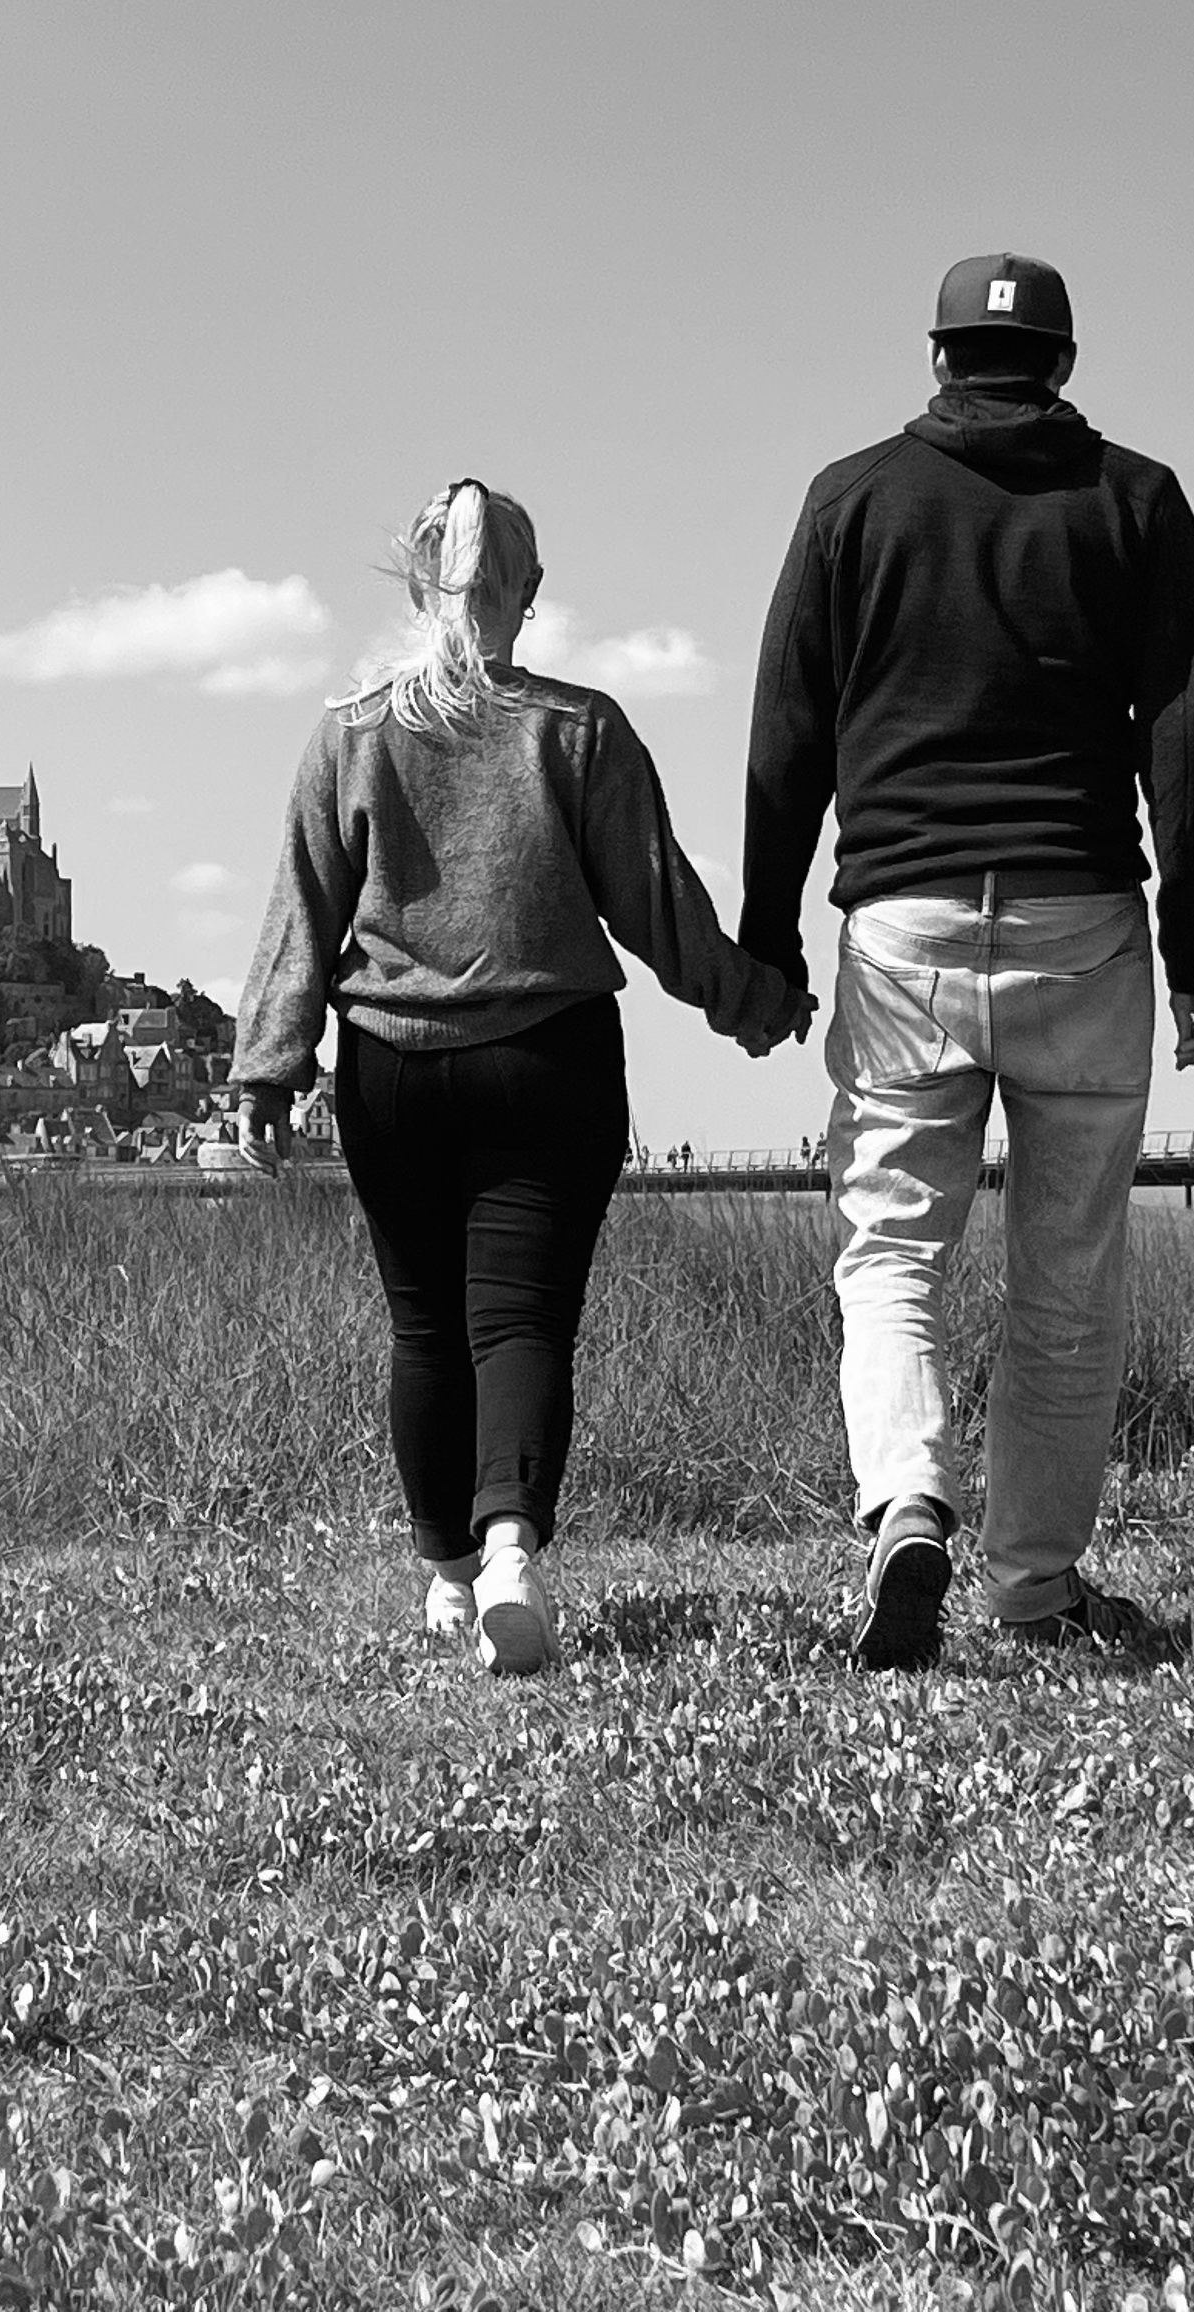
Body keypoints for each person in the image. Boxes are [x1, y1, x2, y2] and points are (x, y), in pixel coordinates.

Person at [740, 253, 1194, 1670]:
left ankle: (909, 1501)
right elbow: (1188, 727)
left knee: (892, 1250)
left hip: (902, 924)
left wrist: (769, 935)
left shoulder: (850, 500)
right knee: (1066, 1281)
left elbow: (787, 731)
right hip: (1082, 924)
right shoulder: (1138, 500)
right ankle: (1034, 1586)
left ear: (936, 357)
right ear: (1064, 365)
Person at [236, 479, 806, 1676]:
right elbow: (660, 908)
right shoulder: (578, 729)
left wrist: (269, 1072)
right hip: (548, 1063)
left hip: (391, 1071)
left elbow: (302, 911)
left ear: (419, 583)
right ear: (531, 591)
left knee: (426, 1326)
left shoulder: (351, 732)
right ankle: (509, 1556)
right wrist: (754, 1002)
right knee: (523, 1321)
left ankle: (449, 1578)